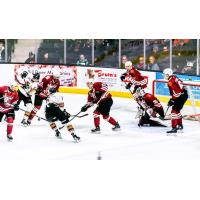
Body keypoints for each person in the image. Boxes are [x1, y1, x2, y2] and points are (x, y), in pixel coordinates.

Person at [163, 68, 188, 133]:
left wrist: (172, 100)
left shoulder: (170, 82)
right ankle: (180, 125)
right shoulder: (174, 77)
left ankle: (174, 128)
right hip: (184, 94)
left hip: (180, 96)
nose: (164, 76)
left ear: (168, 74)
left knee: (174, 111)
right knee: (177, 110)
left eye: (165, 75)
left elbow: (177, 93)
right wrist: (173, 100)